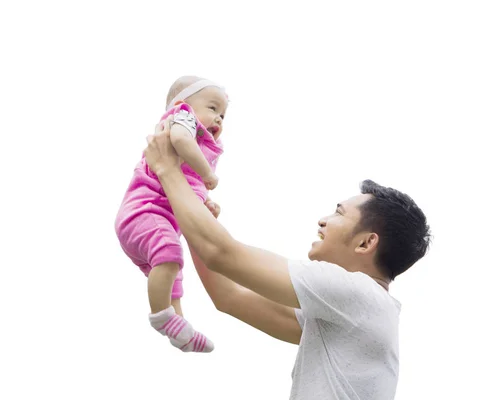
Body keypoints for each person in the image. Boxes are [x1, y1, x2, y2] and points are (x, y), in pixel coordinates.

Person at [143, 120, 432, 399]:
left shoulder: (357, 294)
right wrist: (195, 216)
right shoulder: (348, 313)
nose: (323, 221)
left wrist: (168, 169)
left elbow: (221, 253)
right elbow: (229, 296)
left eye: (339, 213)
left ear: (366, 242)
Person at [114, 76, 228, 353]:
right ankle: (162, 317)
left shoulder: (197, 138)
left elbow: (185, 186)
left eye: (224, 115)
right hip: (144, 213)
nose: (220, 119)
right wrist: (207, 173)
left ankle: (181, 329)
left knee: (173, 272)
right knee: (170, 255)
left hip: (153, 220)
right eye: (213, 108)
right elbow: (180, 140)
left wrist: (205, 202)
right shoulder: (182, 119)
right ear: (182, 103)